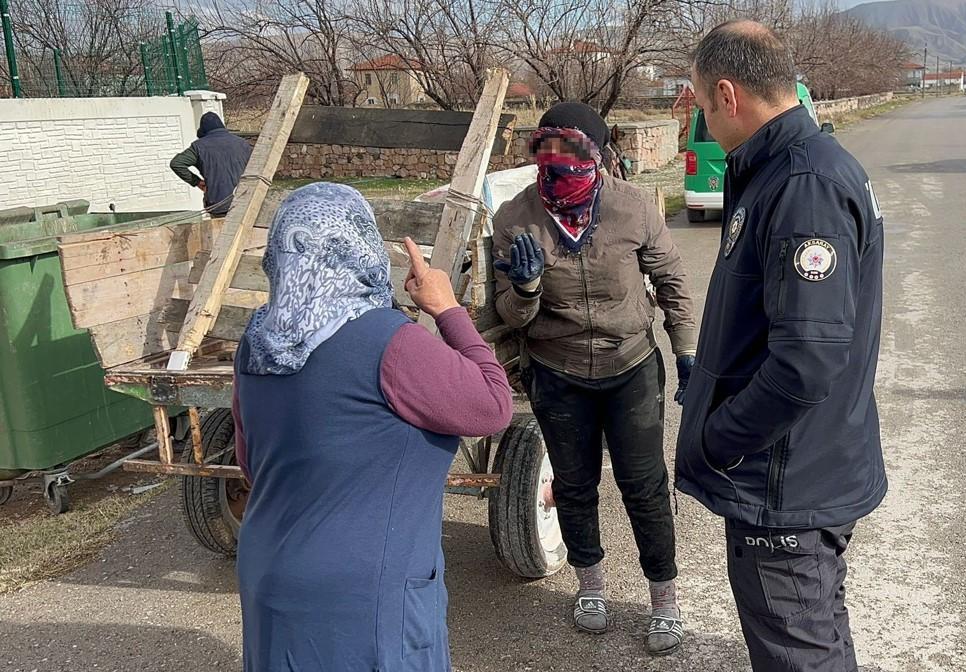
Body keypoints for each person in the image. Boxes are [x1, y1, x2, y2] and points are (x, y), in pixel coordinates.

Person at [674, 21, 886, 672]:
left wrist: (718, 437)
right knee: (818, 638)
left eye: (705, 105)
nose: (707, 121)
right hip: (798, 471)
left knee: (800, 653)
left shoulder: (803, 184)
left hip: (784, 485)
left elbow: (805, 362)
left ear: (729, 95)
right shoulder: (782, 169)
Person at [231, 182, 513, 671]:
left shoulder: (257, 342)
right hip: (362, 598)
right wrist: (447, 309)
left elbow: (251, 465)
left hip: (268, 577)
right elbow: (492, 405)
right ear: (358, 246)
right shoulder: (389, 343)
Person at [491, 102, 698, 656]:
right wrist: (528, 288)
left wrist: (687, 351)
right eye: (550, 149)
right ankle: (591, 588)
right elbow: (509, 316)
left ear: (600, 154)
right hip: (557, 372)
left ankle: (664, 600)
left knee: (644, 485)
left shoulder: (634, 208)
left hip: (630, 365)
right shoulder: (514, 219)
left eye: (575, 150)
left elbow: (673, 279)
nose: (562, 164)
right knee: (575, 483)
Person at [170, 111, 252, 216]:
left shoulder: (198, 146)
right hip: (245, 202)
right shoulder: (242, 143)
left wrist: (197, 182)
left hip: (218, 205)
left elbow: (176, 163)